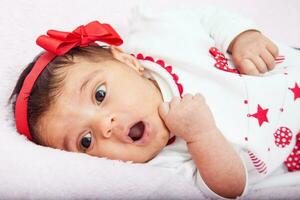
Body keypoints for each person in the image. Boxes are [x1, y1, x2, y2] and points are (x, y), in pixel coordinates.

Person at [9, 6, 300, 199]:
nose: (104, 126)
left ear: (124, 59)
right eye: (85, 141)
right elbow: (231, 189)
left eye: (100, 95)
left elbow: (202, 11)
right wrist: (201, 135)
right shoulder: (164, 164)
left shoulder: (161, 39)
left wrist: (241, 36)